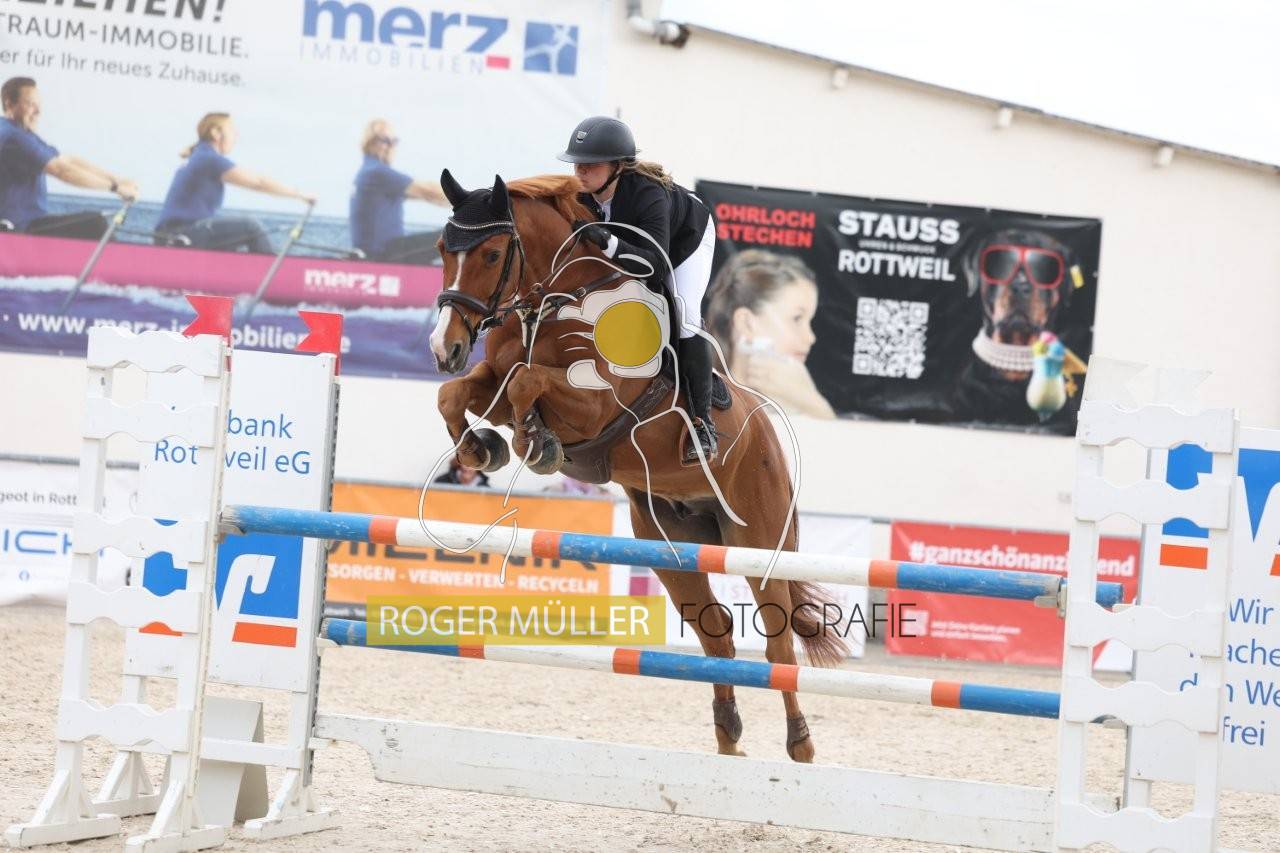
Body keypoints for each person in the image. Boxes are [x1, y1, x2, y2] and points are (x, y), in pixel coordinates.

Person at [557, 116, 718, 464]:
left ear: (618, 166)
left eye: (591, 165)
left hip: (686, 243)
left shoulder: (647, 193)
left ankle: (702, 423)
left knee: (684, 313)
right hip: (639, 249)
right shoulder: (581, 197)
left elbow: (656, 265)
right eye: (577, 164)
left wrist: (609, 243)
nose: (580, 171)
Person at [0, 76, 138, 237]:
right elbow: (61, 170)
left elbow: (67, 160)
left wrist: (117, 180)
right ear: (9, 104)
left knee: (94, 222)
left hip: (30, 224)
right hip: (19, 230)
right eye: (30, 104)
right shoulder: (13, 136)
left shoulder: (21, 133)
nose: (38, 111)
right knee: (95, 224)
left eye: (38, 105)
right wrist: (115, 188)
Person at [704, 249, 835, 419]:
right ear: (746, 323)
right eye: (797, 318)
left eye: (809, 321)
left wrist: (812, 403)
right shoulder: (699, 409)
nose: (811, 338)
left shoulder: (802, 410)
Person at [156, 112, 314, 252]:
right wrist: (299, 194)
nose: (236, 135)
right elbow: (258, 182)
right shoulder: (208, 158)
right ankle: (276, 272)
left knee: (231, 237)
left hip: (175, 235)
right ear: (216, 133)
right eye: (232, 130)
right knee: (249, 226)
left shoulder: (199, 155)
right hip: (180, 236)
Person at [350, 119, 448, 262]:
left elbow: (430, 197)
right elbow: (429, 192)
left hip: (379, 252)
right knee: (457, 234)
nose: (391, 147)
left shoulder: (368, 172)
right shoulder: (377, 172)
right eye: (385, 141)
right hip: (386, 254)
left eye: (394, 141)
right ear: (370, 143)